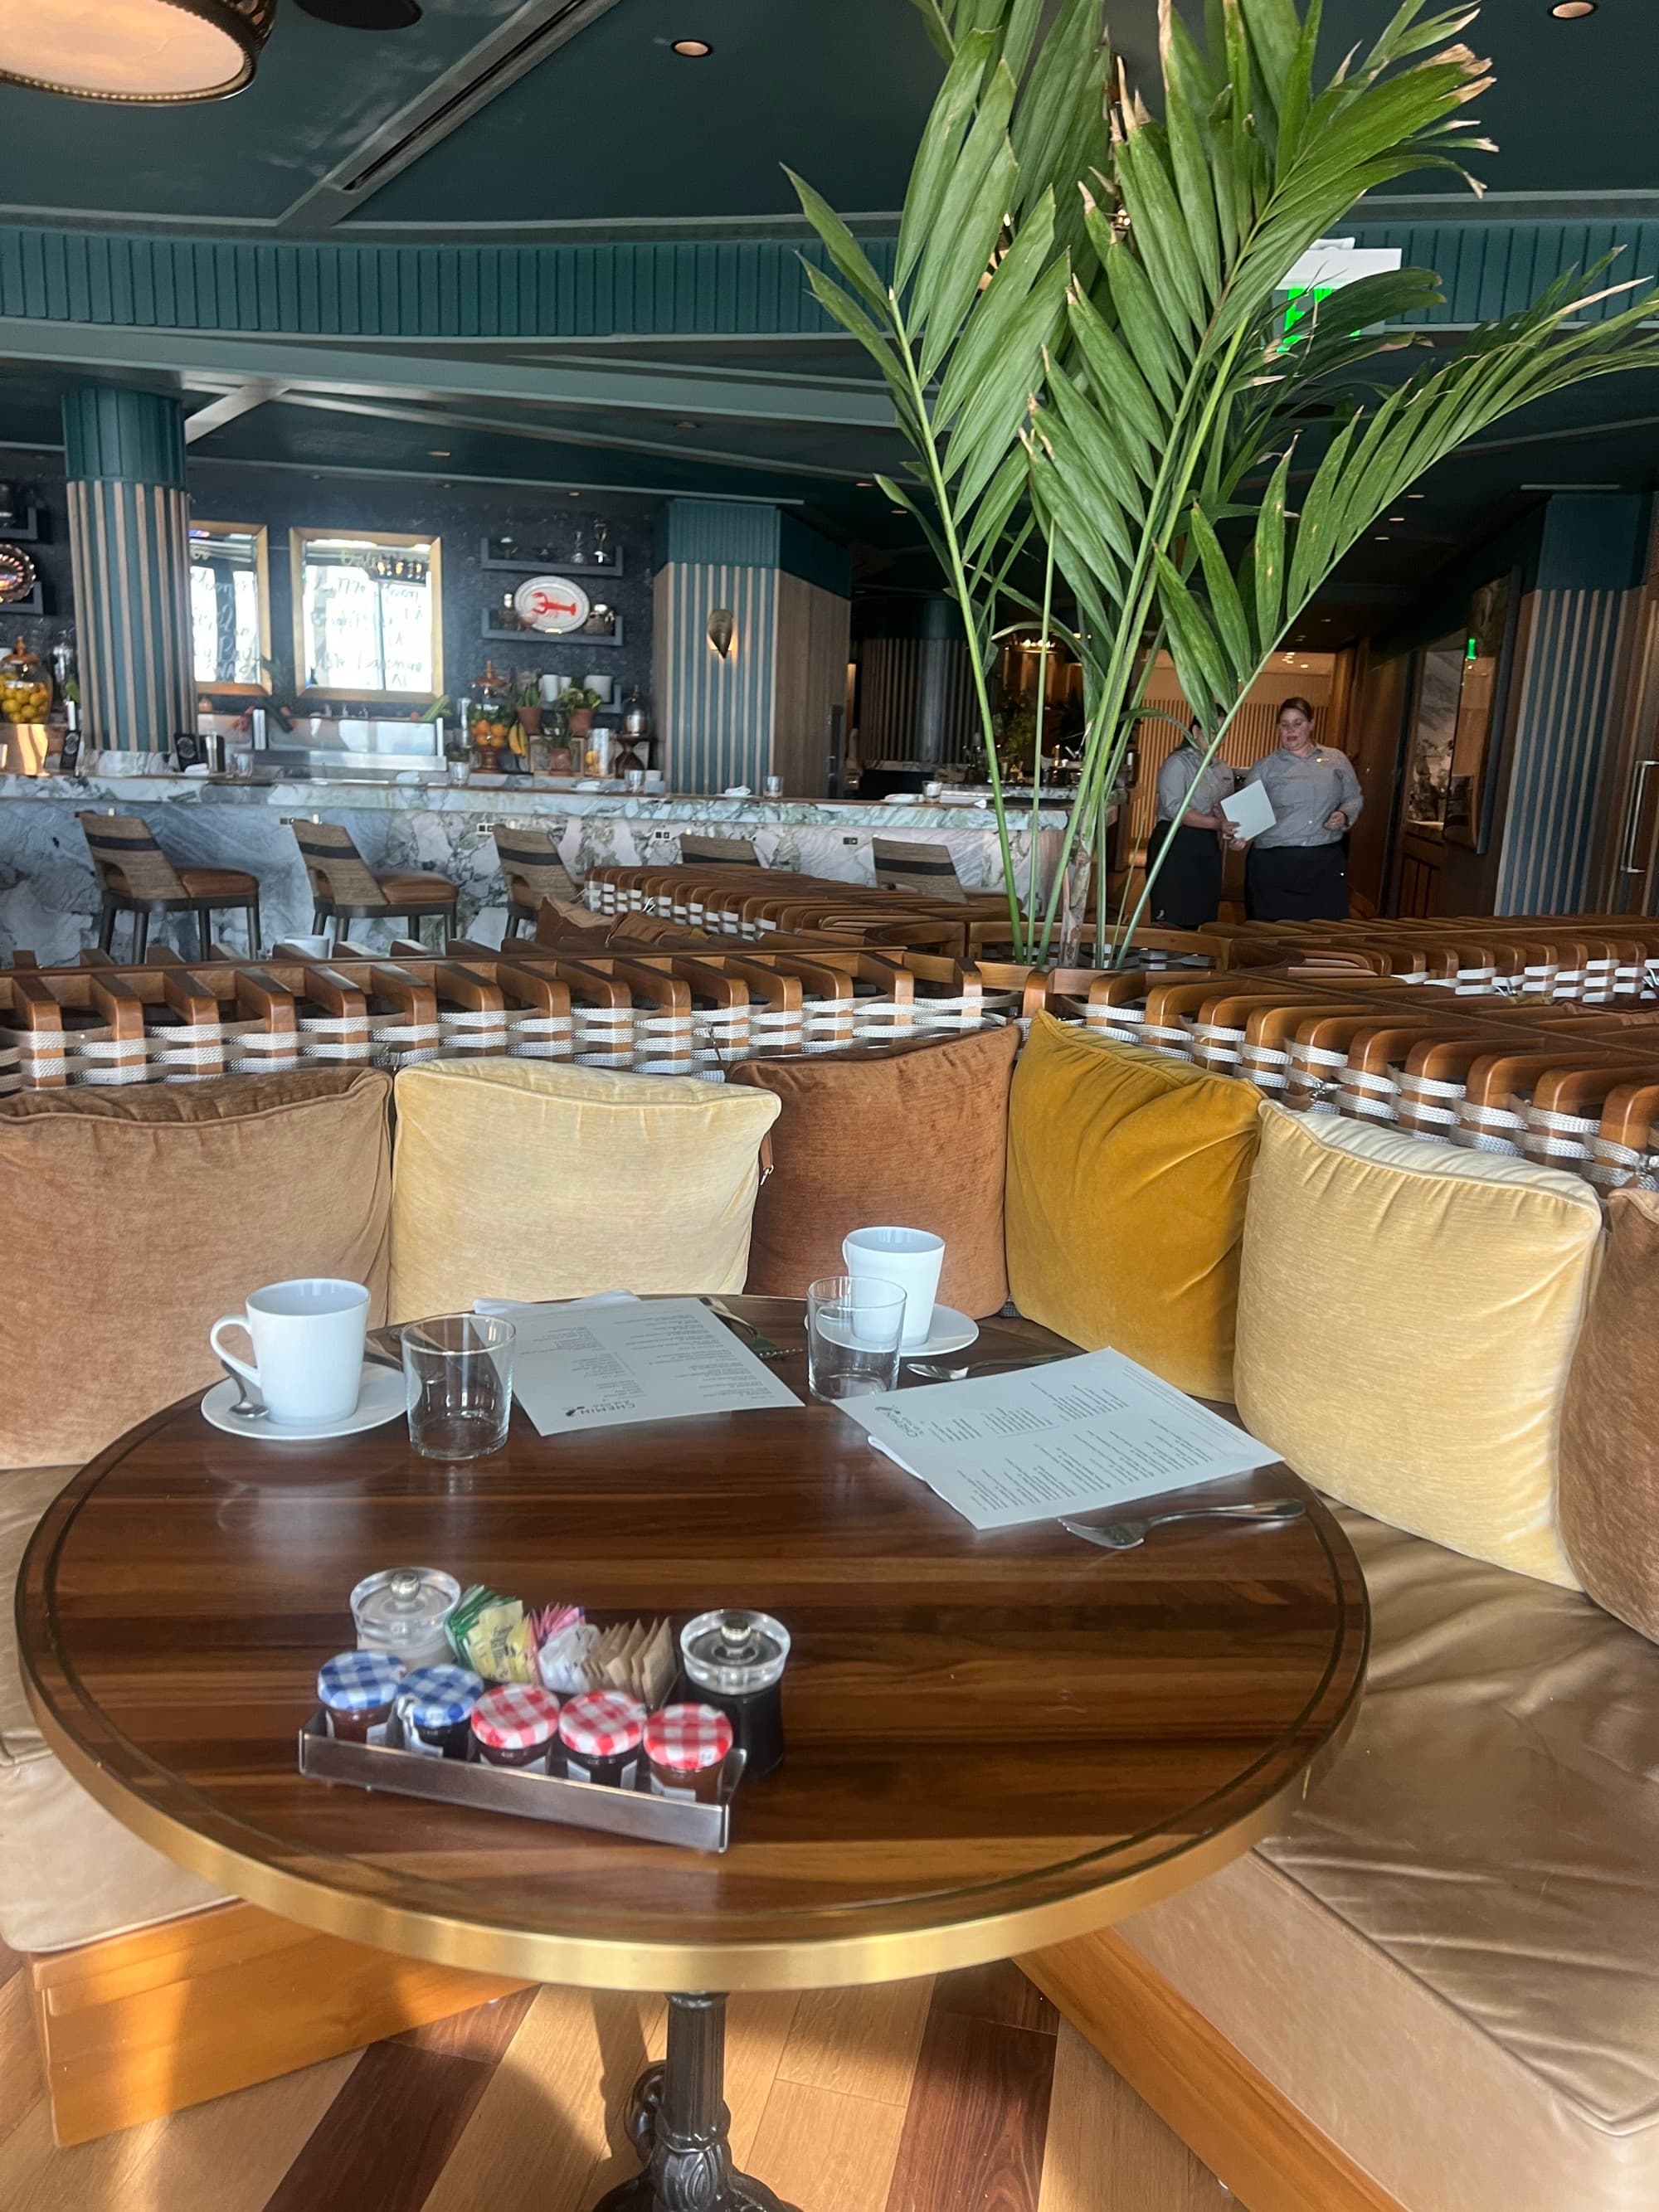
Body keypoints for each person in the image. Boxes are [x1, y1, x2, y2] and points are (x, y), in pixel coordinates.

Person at [1231, 697, 1362, 922]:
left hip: (1324, 862)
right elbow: (1245, 820)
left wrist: (1344, 814)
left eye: (1298, 723)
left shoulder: (1336, 760)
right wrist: (1238, 836)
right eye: (1285, 725)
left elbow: (1354, 797)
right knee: (1272, 934)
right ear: (1278, 729)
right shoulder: (1265, 768)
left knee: (1322, 933)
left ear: (1311, 724)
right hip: (1274, 863)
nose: (1291, 730)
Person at [1148, 721, 1234, 928]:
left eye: (1223, 731)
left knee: (1203, 920)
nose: (1218, 736)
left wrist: (1230, 827)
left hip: (1208, 848)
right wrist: (1217, 823)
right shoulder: (1177, 763)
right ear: (1195, 731)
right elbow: (1175, 809)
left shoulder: (1223, 769)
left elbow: (1226, 810)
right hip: (1174, 845)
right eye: (1212, 730)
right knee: (1171, 921)